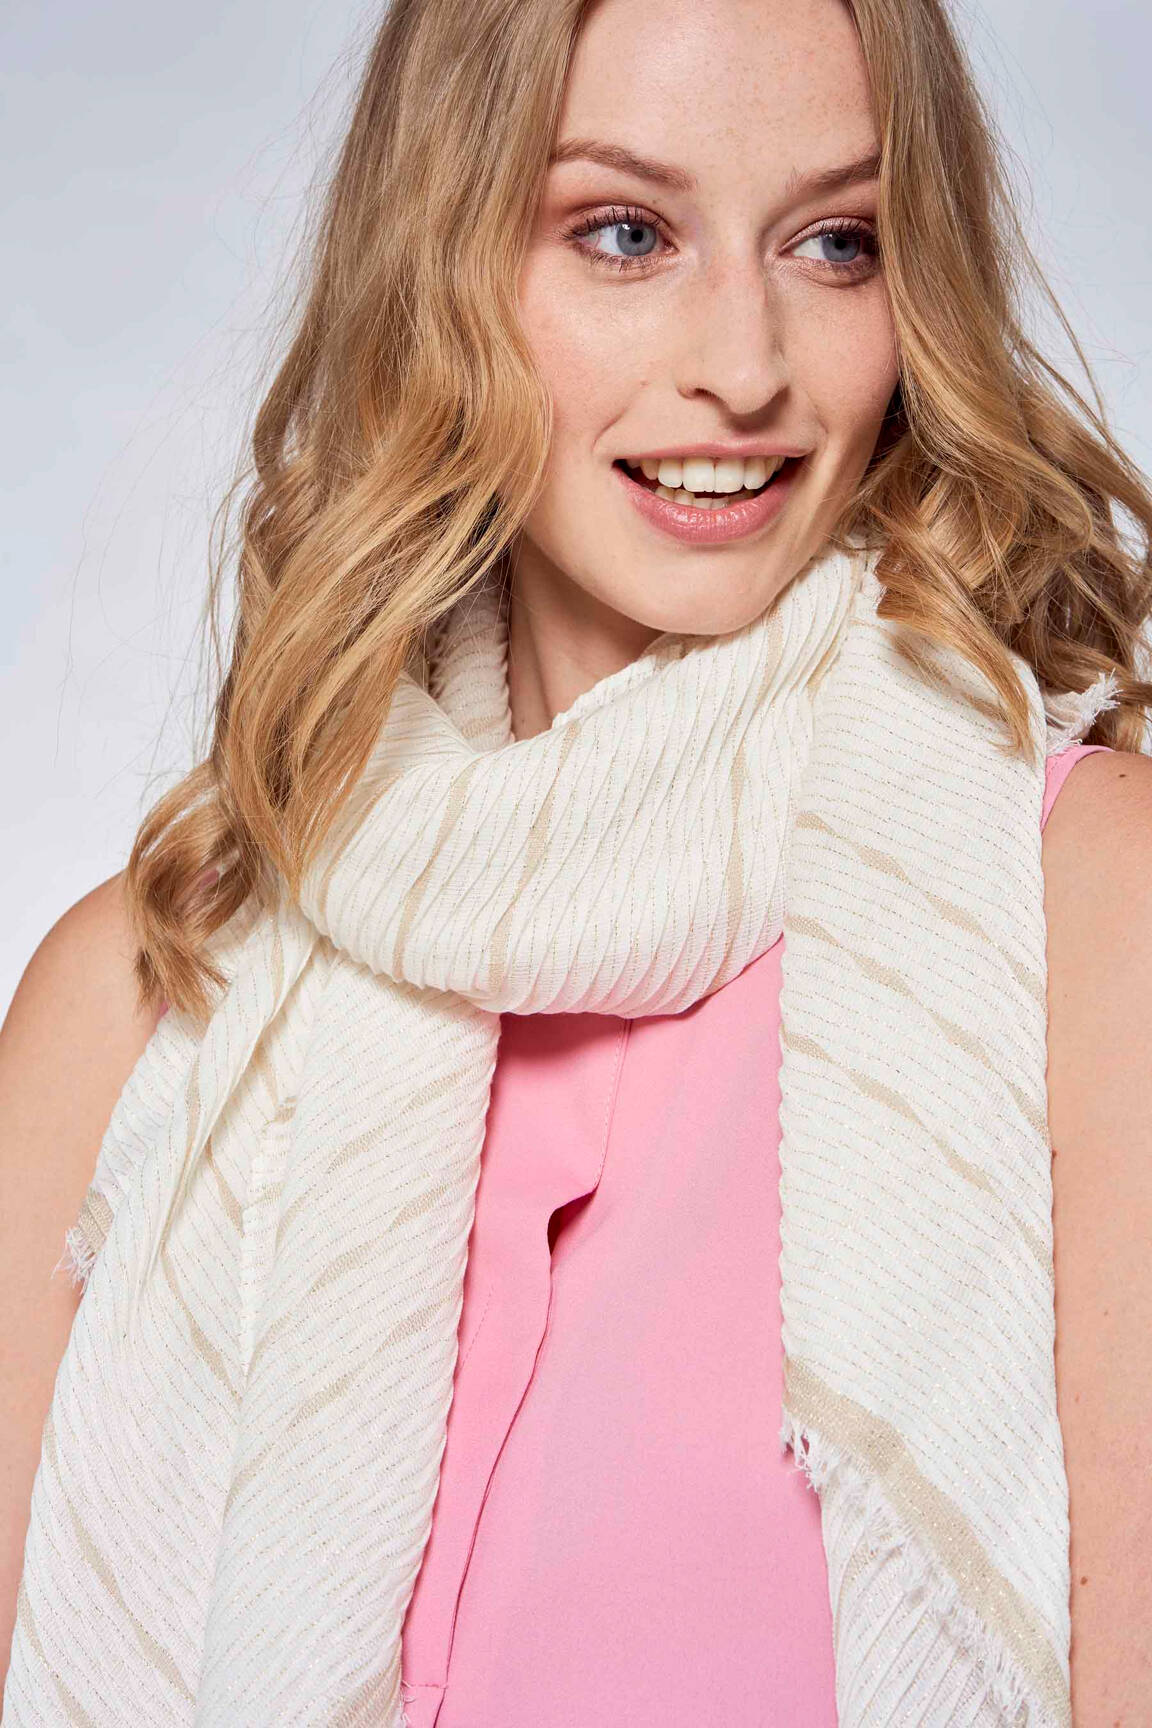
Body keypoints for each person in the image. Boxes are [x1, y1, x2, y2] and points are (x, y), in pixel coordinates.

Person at [2, 0, 1151, 1721]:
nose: (745, 366)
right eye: (624, 233)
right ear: (441, 266)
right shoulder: (131, 1007)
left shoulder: (1087, 916)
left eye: (837, 243)